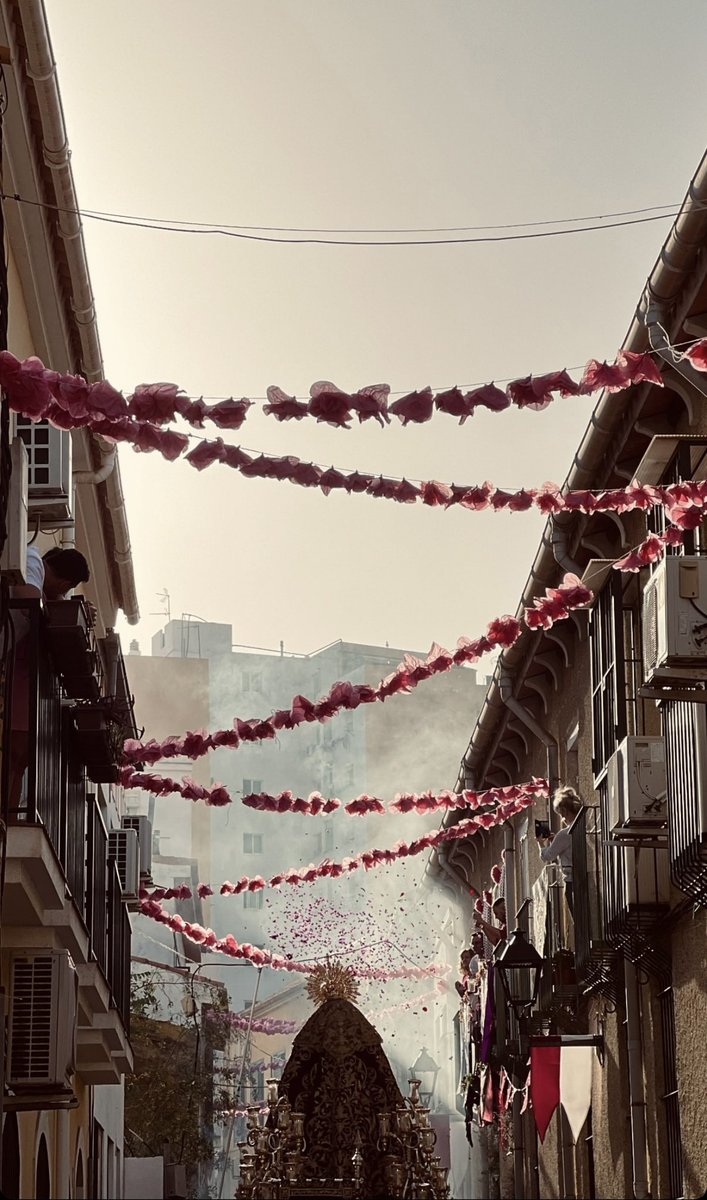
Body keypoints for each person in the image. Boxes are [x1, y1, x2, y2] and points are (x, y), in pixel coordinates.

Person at [7, 545, 91, 805]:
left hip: (11, 663)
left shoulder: (41, 578)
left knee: (17, 759)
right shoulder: (32, 559)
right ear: (65, 583)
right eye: (67, 589)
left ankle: (7, 815)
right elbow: (31, 597)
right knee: (14, 755)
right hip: (10, 664)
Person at [536, 785, 583, 916]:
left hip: (571, 881)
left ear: (564, 811)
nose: (561, 816)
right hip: (584, 878)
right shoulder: (580, 829)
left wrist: (541, 843)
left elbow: (547, 856)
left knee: (578, 918)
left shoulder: (564, 834)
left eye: (560, 812)